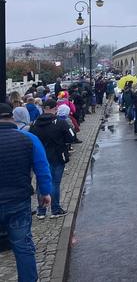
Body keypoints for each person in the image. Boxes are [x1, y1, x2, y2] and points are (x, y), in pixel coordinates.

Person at [0, 102, 52, 282]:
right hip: (18, 202)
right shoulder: (28, 138)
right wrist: (45, 192)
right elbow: (42, 168)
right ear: (12, 117)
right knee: (23, 246)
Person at [30, 99, 76, 219]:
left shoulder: (35, 123)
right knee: (55, 183)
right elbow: (71, 137)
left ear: (44, 108)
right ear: (54, 108)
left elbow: (30, 140)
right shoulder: (60, 123)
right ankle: (55, 210)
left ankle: (41, 211)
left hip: (39, 158)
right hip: (57, 156)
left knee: (41, 183)